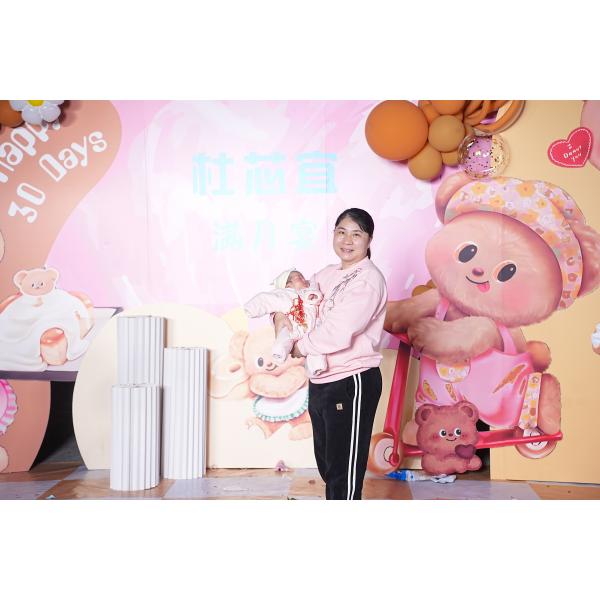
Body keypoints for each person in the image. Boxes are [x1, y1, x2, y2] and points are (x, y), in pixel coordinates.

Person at [274, 208, 387, 500]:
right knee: (327, 463)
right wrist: (279, 318)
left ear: (369, 240)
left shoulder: (368, 279)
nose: (347, 240)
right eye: (341, 232)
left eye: (356, 234)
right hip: (321, 379)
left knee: (343, 471)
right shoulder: (325, 274)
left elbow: (339, 331)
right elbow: (295, 303)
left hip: (352, 379)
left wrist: (299, 347)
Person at [244, 269, 326, 377]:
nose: (304, 279)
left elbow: (316, 294)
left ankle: (316, 367)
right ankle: (279, 352)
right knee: (284, 336)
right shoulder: (285, 295)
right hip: (292, 326)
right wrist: (251, 308)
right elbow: (266, 300)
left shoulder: (309, 291)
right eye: (299, 278)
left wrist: (313, 295)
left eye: (303, 277)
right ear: (288, 285)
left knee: (316, 346)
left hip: (311, 329)